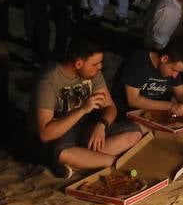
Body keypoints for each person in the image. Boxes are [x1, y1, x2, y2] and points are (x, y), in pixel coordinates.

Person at [34, 39, 143, 176]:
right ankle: (114, 162)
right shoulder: (49, 79)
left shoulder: (92, 73)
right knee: (61, 152)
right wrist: (83, 110)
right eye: (95, 64)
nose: (100, 67)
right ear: (78, 63)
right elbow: (45, 134)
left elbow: (110, 107)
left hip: (83, 128)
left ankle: (79, 164)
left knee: (134, 132)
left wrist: (102, 125)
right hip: (59, 133)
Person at [114, 39, 183, 119]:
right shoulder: (138, 60)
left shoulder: (173, 68)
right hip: (127, 113)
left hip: (153, 113)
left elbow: (181, 95)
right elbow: (133, 100)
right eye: (174, 70)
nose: (175, 76)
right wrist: (171, 106)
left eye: (178, 72)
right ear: (164, 59)